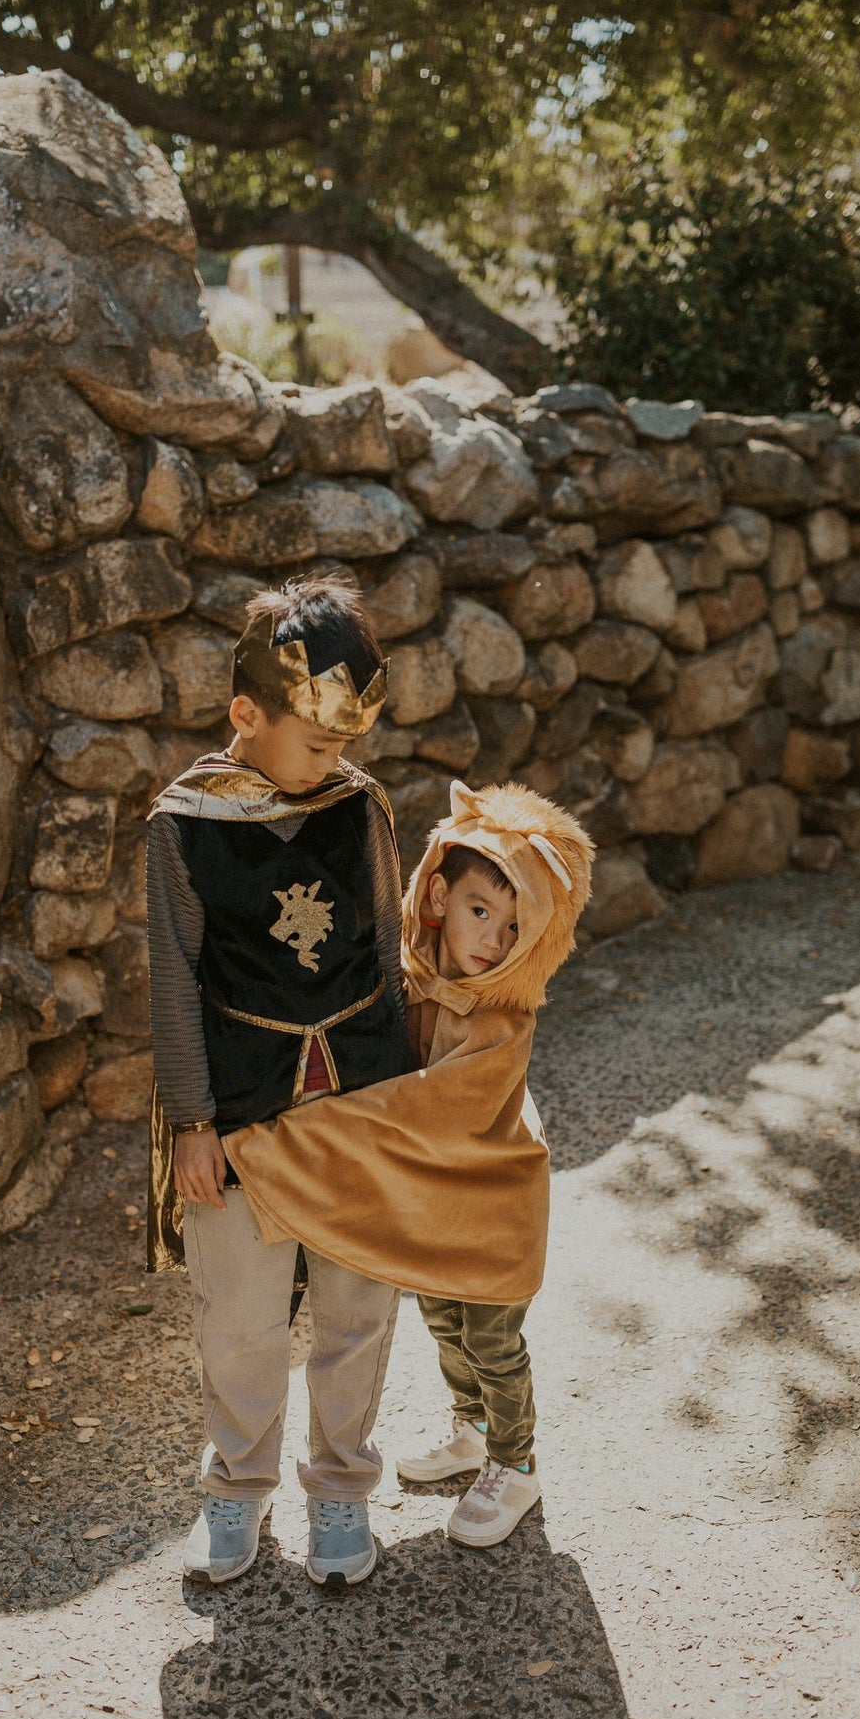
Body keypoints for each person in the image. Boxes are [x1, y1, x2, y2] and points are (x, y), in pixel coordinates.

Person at [225, 779, 594, 1548]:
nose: (491, 938)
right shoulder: (410, 976)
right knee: (442, 1322)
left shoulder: (500, 1021)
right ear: (436, 895)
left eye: (514, 924)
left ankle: (515, 1458)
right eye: (479, 910)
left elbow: (423, 1108)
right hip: (437, 1199)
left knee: (493, 1339)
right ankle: (469, 1429)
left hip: (494, 1205)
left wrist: (306, 1133)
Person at [145, 577, 414, 1590]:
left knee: (355, 1309)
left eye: (343, 745)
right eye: (313, 744)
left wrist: (414, 1108)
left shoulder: (361, 808)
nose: (331, 763)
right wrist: (190, 1124)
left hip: (360, 1110)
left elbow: (387, 953)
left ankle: (340, 1493)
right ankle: (236, 1490)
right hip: (243, 1117)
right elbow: (174, 982)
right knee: (241, 1319)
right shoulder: (180, 828)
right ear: (244, 718)